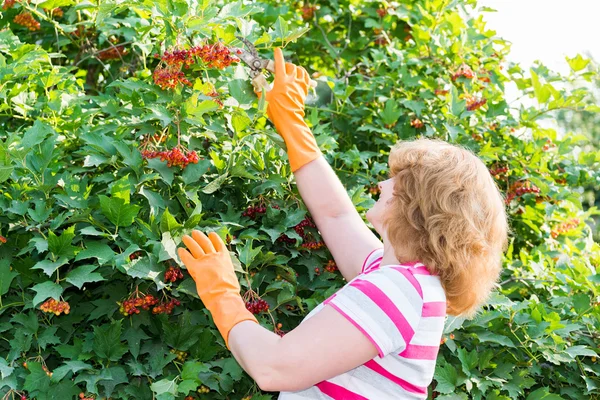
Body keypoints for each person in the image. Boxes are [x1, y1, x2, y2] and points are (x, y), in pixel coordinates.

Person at [177, 48, 510, 399]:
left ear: (420, 204)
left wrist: (222, 295)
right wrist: (292, 124)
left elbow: (274, 367)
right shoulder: (403, 281)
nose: (382, 185)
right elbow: (334, 213)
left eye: (399, 180)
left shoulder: (400, 291)